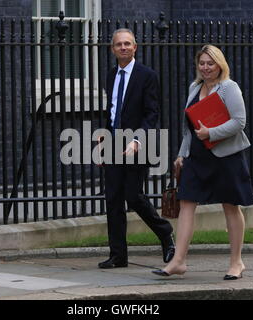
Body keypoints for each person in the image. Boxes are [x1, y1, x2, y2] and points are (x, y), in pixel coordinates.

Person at [152, 44, 253, 279]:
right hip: (197, 155)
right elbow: (189, 128)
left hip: (225, 156)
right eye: (202, 63)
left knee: (230, 205)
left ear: (220, 65)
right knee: (186, 204)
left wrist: (212, 133)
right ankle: (178, 261)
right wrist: (181, 154)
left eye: (211, 63)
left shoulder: (229, 88)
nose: (206, 67)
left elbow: (240, 122)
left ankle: (236, 262)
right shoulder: (194, 87)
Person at [98, 28, 175, 269]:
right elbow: (112, 111)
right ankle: (118, 255)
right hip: (112, 143)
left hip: (136, 144)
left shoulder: (147, 76)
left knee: (133, 196)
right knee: (112, 199)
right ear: (113, 49)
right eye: (119, 44)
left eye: (127, 44)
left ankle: (165, 233)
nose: (123, 47)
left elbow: (152, 113)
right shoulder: (111, 75)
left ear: (135, 47)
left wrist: (137, 141)